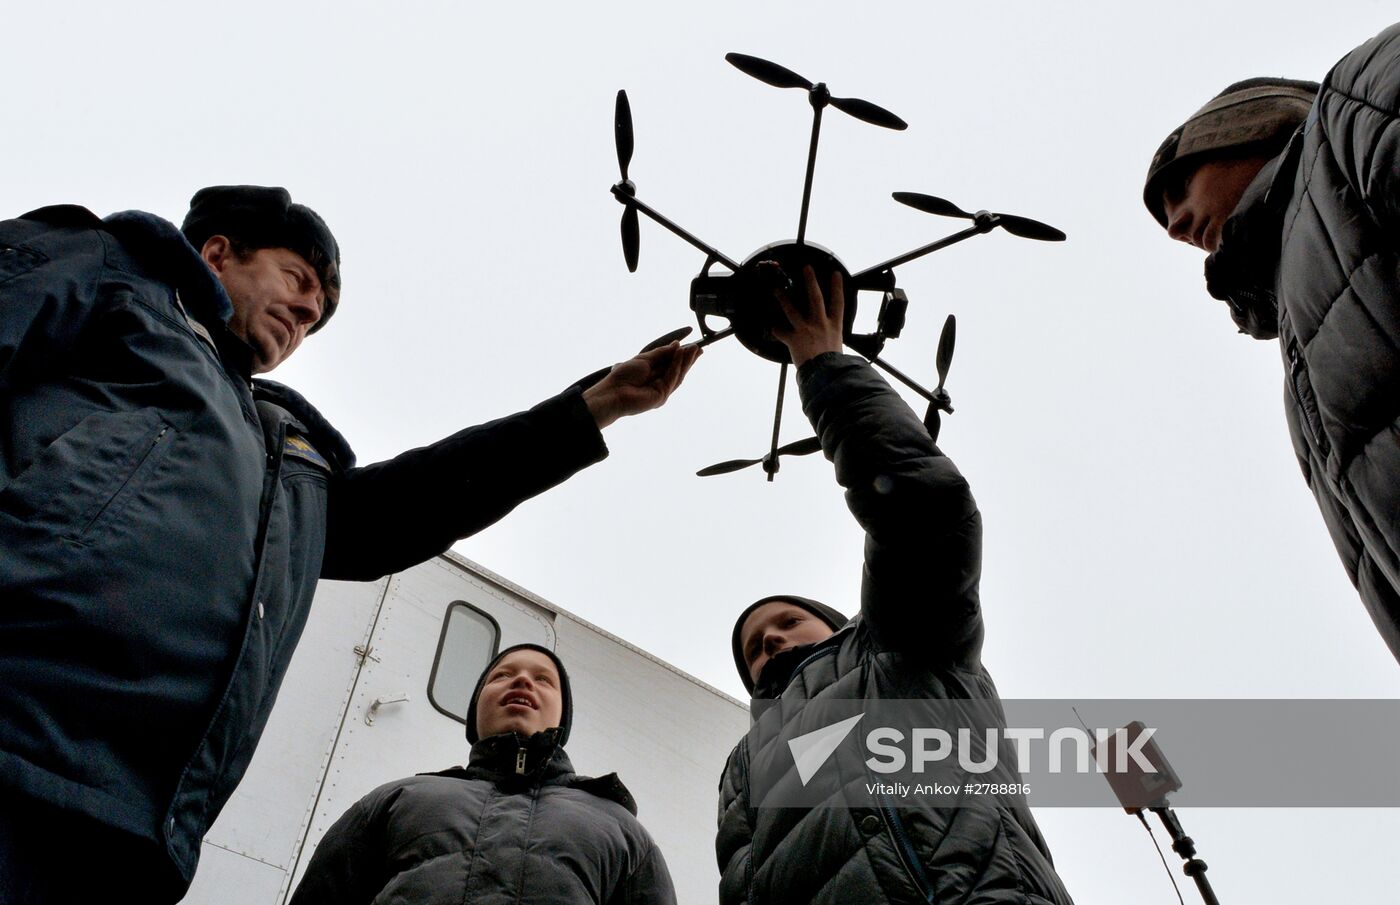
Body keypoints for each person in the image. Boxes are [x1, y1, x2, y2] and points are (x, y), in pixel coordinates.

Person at [0, 186, 699, 902]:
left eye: (317, 316)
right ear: (217, 253)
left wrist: (596, 407)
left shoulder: (287, 459)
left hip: (132, 829)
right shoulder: (110, 273)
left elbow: (417, 499)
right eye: (299, 282)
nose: (306, 315)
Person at [715, 266, 1074, 904]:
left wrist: (824, 366)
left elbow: (924, 511)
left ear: (835, 625)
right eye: (753, 648)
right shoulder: (743, 770)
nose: (769, 642)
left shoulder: (897, 648)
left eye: (787, 622)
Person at [1142, 22, 1400, 664]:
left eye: (1177, 187)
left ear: (1245, 126)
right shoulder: (1299, 352)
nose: (1175, 225)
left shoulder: (1352, 101)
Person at [288, 643, 676, 904]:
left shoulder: (621, 830)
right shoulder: (395, 800)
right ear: (476, 709)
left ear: (562, 717)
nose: (523, 680)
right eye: (502, 676)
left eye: (544, 679)